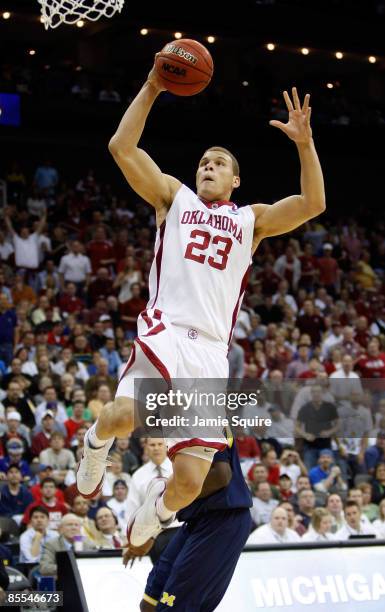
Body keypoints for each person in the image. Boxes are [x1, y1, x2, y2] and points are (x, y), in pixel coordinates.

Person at [76, 57, 325, 552]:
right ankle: (94, 444)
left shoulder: (251, 220)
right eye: (203, 162)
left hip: (210, 354)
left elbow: (313, 202)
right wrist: (151, 85)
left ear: (236, 180)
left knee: (191, 482)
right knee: (123, 416)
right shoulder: (175, 199)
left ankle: (156, 512)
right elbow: (121, 147)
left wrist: (305, 143)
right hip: (167, 331)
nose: (207, 167)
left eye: (219, 164)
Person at [133, 433, 252, 612]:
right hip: (194, 520)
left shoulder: (202, 417)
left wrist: (172, 496)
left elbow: (221, 475)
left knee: (176, 606)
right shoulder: (175, 423)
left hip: (222, 518)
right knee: (150, 602)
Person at [39, 514, 95, 578]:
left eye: (76, 525)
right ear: (61, 529)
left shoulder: (88, 544)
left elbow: (94, 565)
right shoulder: (51, 545)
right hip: (62, 581)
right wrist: (70, 568)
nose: (73, 528)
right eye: (69, 525)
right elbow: (44, 568)